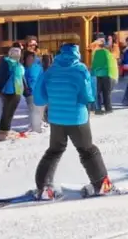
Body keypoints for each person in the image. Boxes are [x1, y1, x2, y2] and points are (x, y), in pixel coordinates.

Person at [32, 43, 116, 199]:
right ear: (77, 54)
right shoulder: (80, 69)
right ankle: (101, 184)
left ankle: (44, 188)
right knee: (88, 150)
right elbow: (87, 96)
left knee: (54, 151)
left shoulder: (51, 70)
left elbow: (40, 96)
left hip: (56, 118)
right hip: (77, 118)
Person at [0, 47, 25, 141]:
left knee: (8, 112)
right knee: (8, 112)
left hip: (14, 90)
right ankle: (3, 133)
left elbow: (21, 77)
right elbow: (1, 76)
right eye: (17, 54)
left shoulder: (13, 63)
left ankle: (4, 132)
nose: (18, 56)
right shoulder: (8, 63)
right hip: (10, 91)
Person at [90, 39, 118, 114]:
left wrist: (91, 74)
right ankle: (108, 109)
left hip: (99, 75)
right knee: (107, 94)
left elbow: (94, 66)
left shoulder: (98, 53)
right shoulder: (110, 54)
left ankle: (98, 109)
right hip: (110, 75)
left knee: (97, 93)